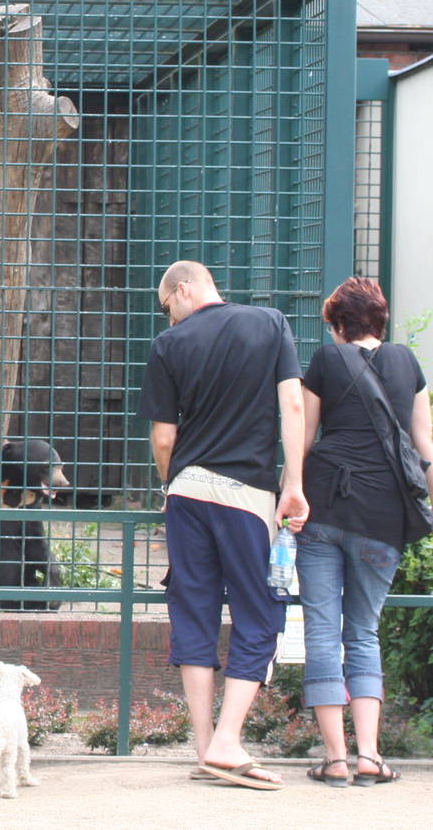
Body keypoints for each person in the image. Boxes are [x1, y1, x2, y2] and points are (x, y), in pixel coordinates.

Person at [138, 261, 309, 790]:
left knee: (194, 610)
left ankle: (204, 743)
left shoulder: (169, 346)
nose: (168, 319)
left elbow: (164, 440)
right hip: (247, 495)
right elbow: (292, 405)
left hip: (188, 493)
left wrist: (173, 486)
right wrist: (294, 483)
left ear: (184, 290)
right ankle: (229, 742)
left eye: (167, 307)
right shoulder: (271, 323)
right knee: (259, 614)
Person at [296, 277, 432, 786]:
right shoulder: (408, 364)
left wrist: (290, 493)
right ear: (381, 320)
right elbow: (424, 449)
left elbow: (303, 441)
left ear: (337, 325)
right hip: (383, 518)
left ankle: (334, 761)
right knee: (364, 632)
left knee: (323, 633)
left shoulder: (326, 361)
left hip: (325, 511)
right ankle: (371, 758)